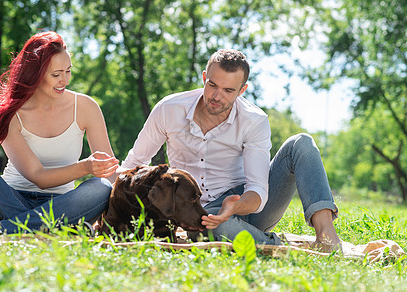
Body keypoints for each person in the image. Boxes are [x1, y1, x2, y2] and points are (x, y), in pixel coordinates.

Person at [119, 49, 341, 246]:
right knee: (212, 228)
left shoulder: (254, 120)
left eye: (228, 90)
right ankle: (274, 245)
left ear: (241, 90)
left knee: (300, 143)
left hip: (245, 204)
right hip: (196, 212)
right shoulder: (169, 109)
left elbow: (258, 191)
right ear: (204, 78)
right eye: (212, 85)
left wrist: (234, 207)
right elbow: (135, 163)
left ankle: (327, 237)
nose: (217, 96)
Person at [0, 31, 119, 234]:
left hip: (64, 203)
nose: (65, 80)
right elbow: (38, 177)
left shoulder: (86, 107)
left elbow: (110, 171)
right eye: (56, 74)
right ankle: (48, 227)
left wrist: (138, 184)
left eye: (68, 71)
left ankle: (4, 227)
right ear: (36, 74)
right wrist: (85, 167)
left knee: (101, 186)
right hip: (8, 199)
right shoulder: (11, 113)